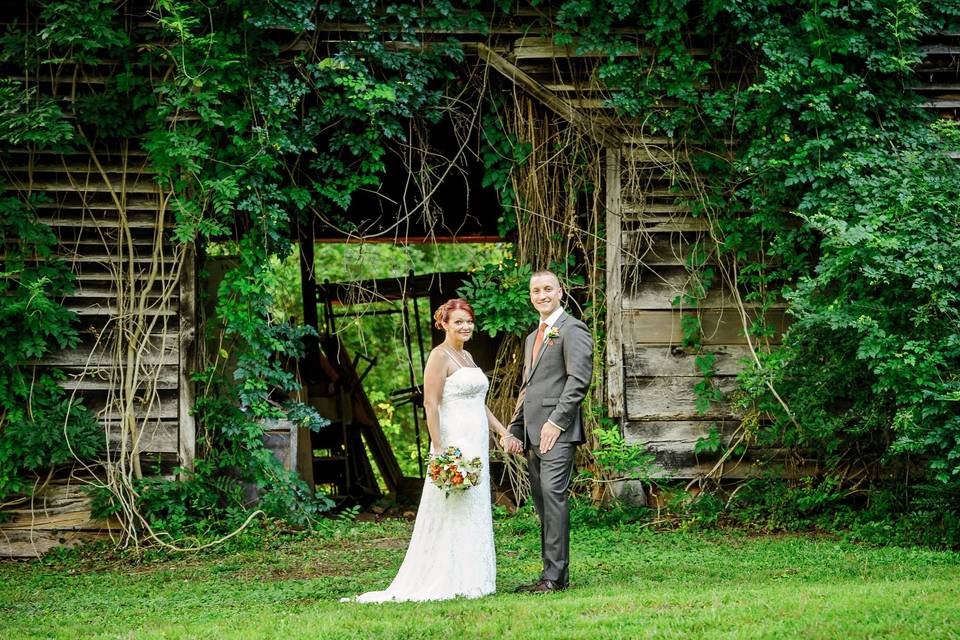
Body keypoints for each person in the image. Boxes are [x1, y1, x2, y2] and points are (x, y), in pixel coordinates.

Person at [348, 298, 512, 603]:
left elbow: (480, 404)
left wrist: (502, 431)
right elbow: (430, 403)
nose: (465, 327)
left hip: (476, 439)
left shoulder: (468, 357)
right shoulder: (439, 356)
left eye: (468, 321)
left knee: (474, 505)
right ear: (444, 324)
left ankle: (475, 575)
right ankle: (449, 575)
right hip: (453, 440)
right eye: (458, 322)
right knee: (453, 506)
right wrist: (440, 449)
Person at [503, 270, 593, 593]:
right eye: (535, 291)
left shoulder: (573, 330)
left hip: (558, 433)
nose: (541, 295)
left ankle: (554, 578)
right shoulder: (532, 338)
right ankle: (551, 574)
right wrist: (515, 427)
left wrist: (556, 422)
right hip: (532, 435)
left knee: (554, 500)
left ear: (560, 291)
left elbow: (578, 381)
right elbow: (527, 388)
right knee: (542, 505)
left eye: (547, 289)